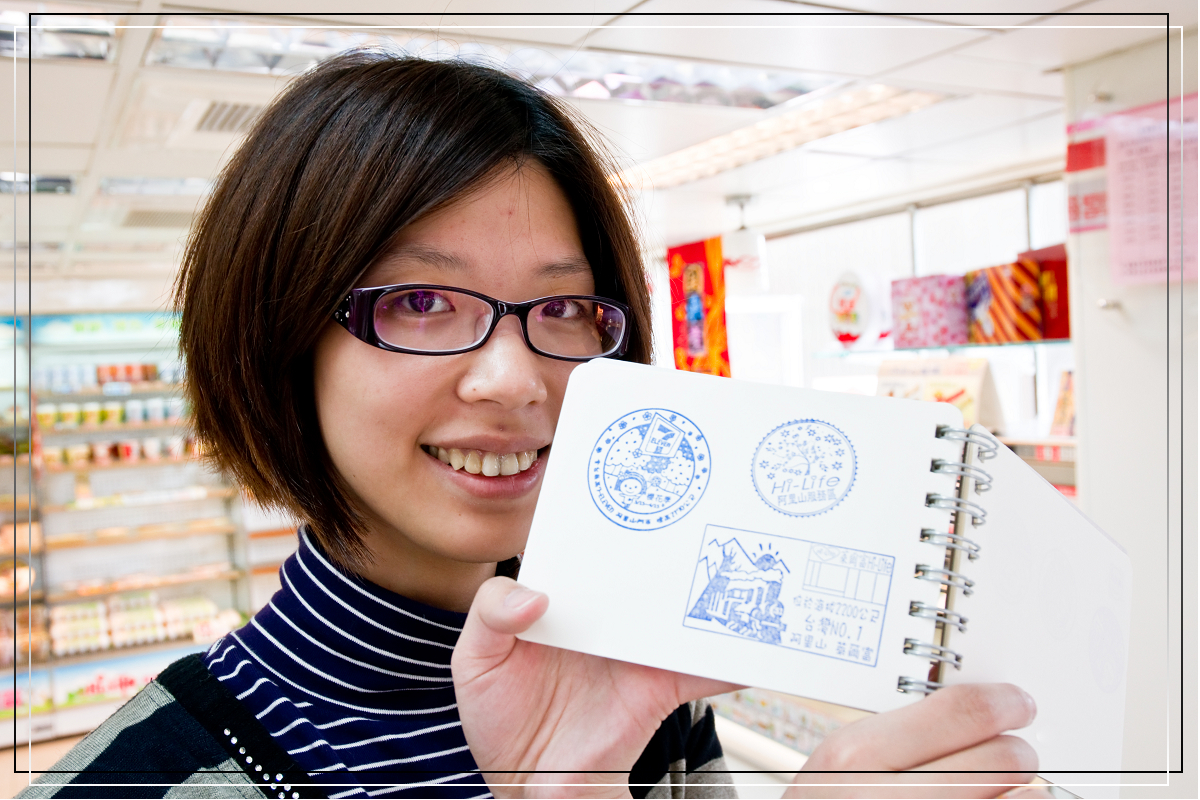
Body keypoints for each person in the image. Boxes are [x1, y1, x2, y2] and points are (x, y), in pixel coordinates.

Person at [20, 51, 1049, 800]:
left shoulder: (642, 685)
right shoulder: (149, 777)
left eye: (563, 308)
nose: (514, 378)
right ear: (279, 341)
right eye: (421, 301)